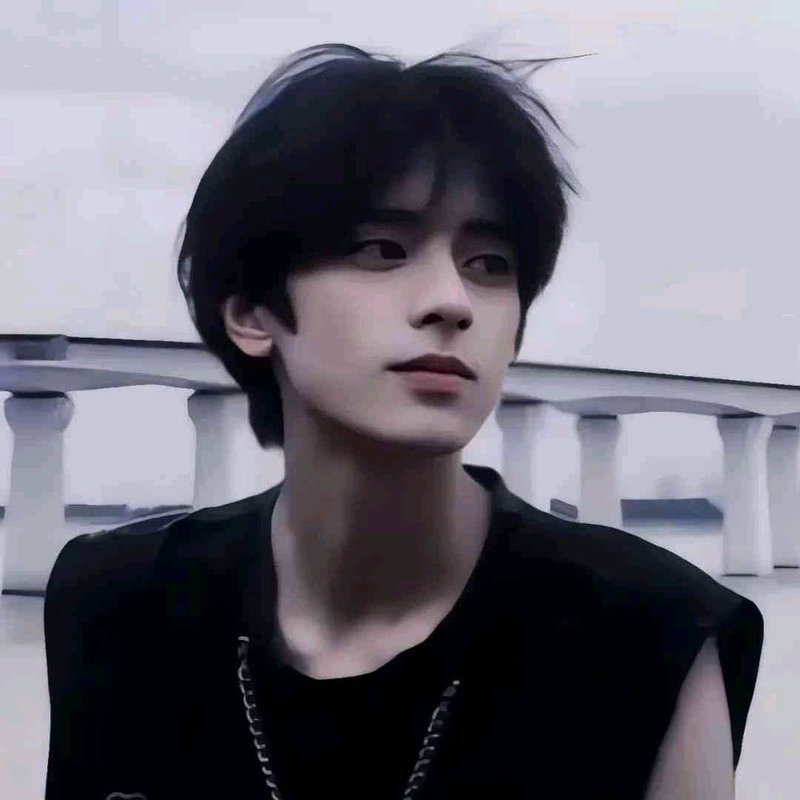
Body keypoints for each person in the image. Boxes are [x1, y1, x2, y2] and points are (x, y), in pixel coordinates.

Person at [44, 43, 763, 799]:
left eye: (490, 264)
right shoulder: (120, 604)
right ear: (252, 312)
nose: (452, 300)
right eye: (383, 249)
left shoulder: (650, 634)